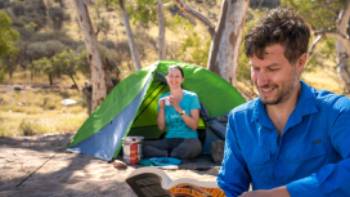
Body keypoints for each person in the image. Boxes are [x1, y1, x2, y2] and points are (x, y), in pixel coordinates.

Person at [217, 8, 350, 197]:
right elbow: (230, 187)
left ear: (301, 61)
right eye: (255, 68)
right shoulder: (239, 120)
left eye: (272, 68)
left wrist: (286, 193)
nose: (261, 81)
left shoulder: (337, 112)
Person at [142, 65, 202, 160]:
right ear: (166, 78)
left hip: (188, 140)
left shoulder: (192, 97)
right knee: (141, 146)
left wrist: (177, 108)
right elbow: (161, 127)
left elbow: (194, 125)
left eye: (177, 76)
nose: (174, 79)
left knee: (193, 147)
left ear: (182, 79)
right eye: (171, 76)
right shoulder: (163, 97)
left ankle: (167, 155)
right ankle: (170, 155)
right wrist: (161, 108)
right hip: (169, 140)